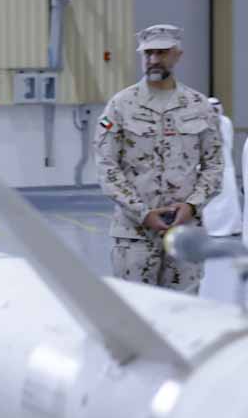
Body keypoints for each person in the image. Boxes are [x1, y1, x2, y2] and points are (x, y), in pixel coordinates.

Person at [95, 23, 223, 293]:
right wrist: (142, 213)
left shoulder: (198, 106)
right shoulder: (121, 105)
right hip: (134, 234)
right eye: (148, 53)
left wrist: (191, 206)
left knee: (183, 309)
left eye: (162, 52)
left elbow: (214, 164)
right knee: (135, 308)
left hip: (185, 231)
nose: (153, 59)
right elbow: (107, 167)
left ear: (178, 55)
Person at [198, 97, 242, 303]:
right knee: (211, 203)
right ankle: (212, 228)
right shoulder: (200, 122)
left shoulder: (226, 122)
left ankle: (230, 227)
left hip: (226, 168)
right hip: (208, 170)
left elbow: (228, 143)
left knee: (228, 201)